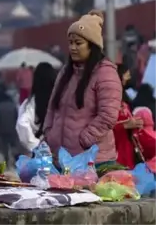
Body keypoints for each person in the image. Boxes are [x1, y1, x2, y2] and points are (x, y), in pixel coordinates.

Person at [44, 10, 122, 166]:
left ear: (92, 46)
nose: (73, 48)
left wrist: (84, 139)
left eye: (78, 43)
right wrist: (49, 133)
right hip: (61, 160)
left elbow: (108, 116)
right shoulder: (66, 72)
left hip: (93, 161)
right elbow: (52, 108)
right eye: (70, 42)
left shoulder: (106, 73)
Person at [16, 62, 57, 153]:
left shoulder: (30, 103)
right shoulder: (62, 100)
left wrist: (36, 145)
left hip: (41, 153)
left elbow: (22, 124)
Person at [114, 63, 142, 168]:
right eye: (126, 75)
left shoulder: (124, 100)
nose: (128, 78)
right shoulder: (107, 100)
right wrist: (124, 125)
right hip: (114, 152)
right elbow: (102, 127)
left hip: (126, 149)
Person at [0, 86, 20, 165]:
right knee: (14, 146)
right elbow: (16, 118)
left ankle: (6, 161)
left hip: (2, 130)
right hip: (12, 129)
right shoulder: (13, 106)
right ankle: (16, 161)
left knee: (4, 148)